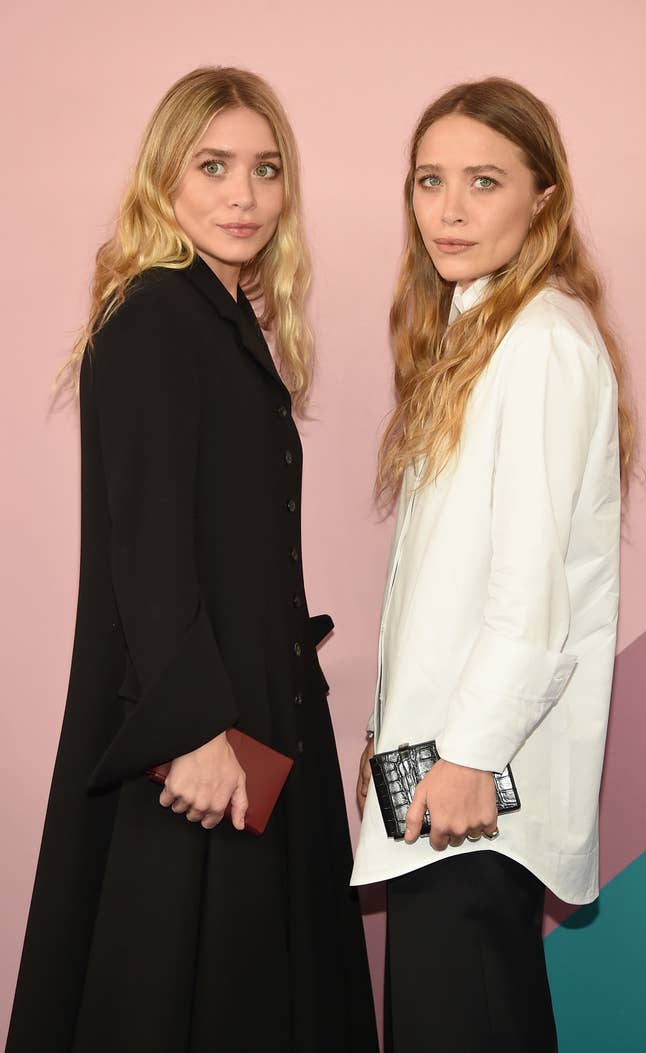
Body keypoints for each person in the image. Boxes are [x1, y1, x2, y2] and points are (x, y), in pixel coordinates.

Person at [7, 67, 378, 1053]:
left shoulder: (220, 325)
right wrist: (198, 732)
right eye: (213, 166)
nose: (243, 195)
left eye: (265, 169)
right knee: (186, 988)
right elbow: (149, 546)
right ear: (164, 178)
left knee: (234, 989)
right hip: (201, 731)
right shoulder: (160, 317)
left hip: (250, 712)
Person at [352, 77, 633, 1052]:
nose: (450, 209)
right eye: (430, 181)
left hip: (475, 781)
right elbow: (439, 598)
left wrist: (468, 753)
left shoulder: (542, 341)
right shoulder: (477, 333)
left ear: (541, 199)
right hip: (443, 773)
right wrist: (399, 743)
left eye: (483, 180)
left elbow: (532, 592)